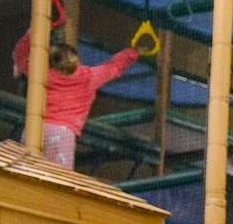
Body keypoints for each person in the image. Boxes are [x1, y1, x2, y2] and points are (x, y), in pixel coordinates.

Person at [12, 29, 150, 170]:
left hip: (34, 128)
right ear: (76, 60)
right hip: (62, 133)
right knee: (59, 181)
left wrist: (32, 33)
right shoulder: (89, 77)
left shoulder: (42, 74)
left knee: (26, 175)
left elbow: (19, 55)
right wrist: (133, 52)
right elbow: (114, 66)